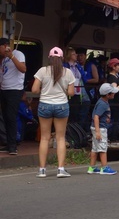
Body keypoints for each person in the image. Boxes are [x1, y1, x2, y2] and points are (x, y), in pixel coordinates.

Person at [32, 47, 76, 178]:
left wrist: (45, 91)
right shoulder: (67, 72)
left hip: (45, 105)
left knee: (45, 138)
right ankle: (61, 169)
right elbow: (71, 93)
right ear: (62, 58)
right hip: (61, 106)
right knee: (60, 137)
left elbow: (34, 90)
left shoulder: (42, 71)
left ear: (49, 58)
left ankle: (42, 170)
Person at [0, 38, 26, 155]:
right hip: (4, 89)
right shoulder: (3, 59)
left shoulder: (18, 54)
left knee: (11, 117)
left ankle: (13, 146)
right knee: (5, 117)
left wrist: (11, 56)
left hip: (14, 90)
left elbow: (23, 69)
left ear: (5, 46)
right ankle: (8, 143)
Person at [89, 83, 119, 175]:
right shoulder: (103, 104)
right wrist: (98, 131)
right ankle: (104, 167)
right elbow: (96, 117)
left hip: (96, 127)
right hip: (100, 128)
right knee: (102, 148)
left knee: (95, 148)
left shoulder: (102, 101)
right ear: (107, 95)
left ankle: (92, 167)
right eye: (112, 93)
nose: (114, 94)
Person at [106, 58, 119, 141]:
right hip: (115, 102)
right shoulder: (112, 78)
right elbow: (114, 89)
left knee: (118, 120)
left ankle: (114, 136)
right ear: (114, 67)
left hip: (118, 101)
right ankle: (113, 137)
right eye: (118, 65)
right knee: (116, 121)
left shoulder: (116, 76)